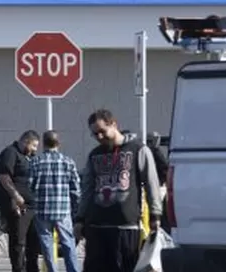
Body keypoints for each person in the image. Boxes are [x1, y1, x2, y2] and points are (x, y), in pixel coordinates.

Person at [75, 109, 163, 272]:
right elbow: (87, 190)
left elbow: (152, 183)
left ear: (114, 125)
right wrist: (79, 219)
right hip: (96, 227)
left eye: (102, 131)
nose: (99, 137)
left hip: (125, 227)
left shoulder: (138, 149)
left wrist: (155, 215)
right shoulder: (94, 155)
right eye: (95, 134)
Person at [28, 130, 82, 272]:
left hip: (42, 209)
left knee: (47, 244)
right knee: (68, 242)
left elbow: (30, 186)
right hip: (63, 210)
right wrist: (77, 209)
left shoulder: (35, 162)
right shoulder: (68, 162)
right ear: (59, 143)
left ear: (43, 144)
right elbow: (76, 188)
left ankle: (52, 270)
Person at [0, 130, 42, 272]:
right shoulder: (10, 153)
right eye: (34, 146)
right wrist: (16, 197)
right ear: (25, 141)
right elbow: (5, 178)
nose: (35, 150)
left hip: (33, 207)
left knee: (33, 243)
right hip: (18, 206)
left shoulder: (30, 157)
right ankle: (18, 269)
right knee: (19, 242)